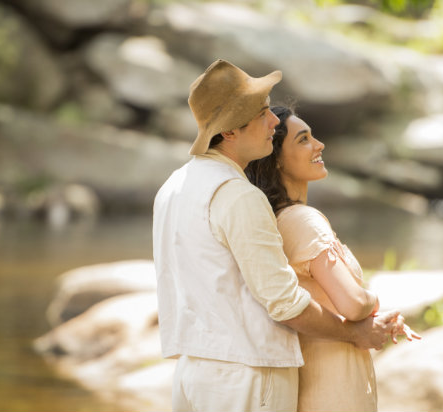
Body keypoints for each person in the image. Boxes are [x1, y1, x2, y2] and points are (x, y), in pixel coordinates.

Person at [153, 60, 402, 412]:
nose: (273, 121)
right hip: (250, 375)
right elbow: (285, 303)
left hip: (192, 371)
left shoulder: (173, 186)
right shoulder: (238, 195)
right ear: (229, 132)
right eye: (262, 113)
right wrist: (353, 332)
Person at [246, 106, 421, 412]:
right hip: (333, 388)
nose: (319, 145)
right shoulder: (302, 220)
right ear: (276, 160)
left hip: (314, 381)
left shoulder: (275, 220)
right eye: (303, 139)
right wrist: (375, 304)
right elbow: (352, 304)